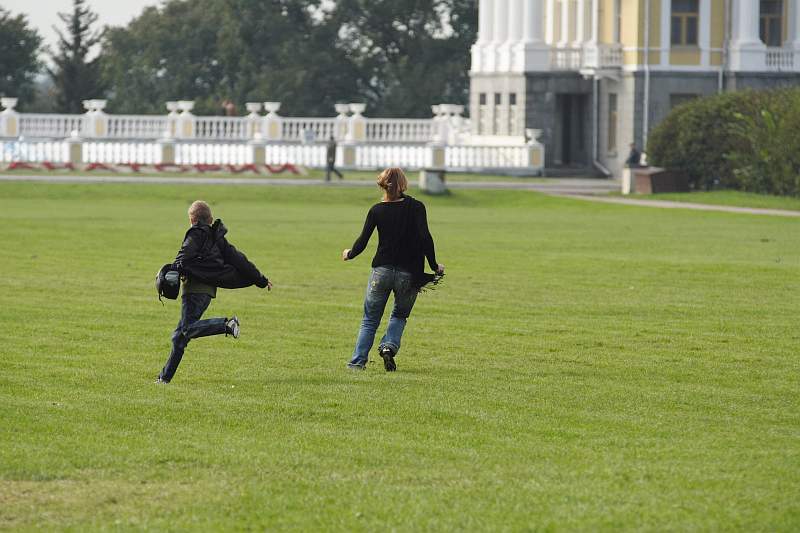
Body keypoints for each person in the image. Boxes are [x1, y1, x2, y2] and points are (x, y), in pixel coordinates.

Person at [156, 200, 272, 383]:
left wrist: (170, 272)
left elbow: (183, 257)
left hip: (194, 290)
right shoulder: (217, 238)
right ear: (210, 219)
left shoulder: (195, 233)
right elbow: (239, 259)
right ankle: (164, 379)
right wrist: (261, 280)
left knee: (186, 330)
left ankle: (226, 325)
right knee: (179, 337)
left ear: (191, 219)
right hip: (207, 291)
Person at [342, 168, 444, 372]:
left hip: (381, 271)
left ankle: (357, 362)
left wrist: (349, 253)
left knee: (370, 320)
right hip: (409, 273)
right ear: (403, 184)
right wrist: (434, 266)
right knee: (399, 315)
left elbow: (363, 241)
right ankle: (388, 347)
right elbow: (426, 238)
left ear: (381, 185)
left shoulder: (376, 210)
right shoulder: (416, 207)